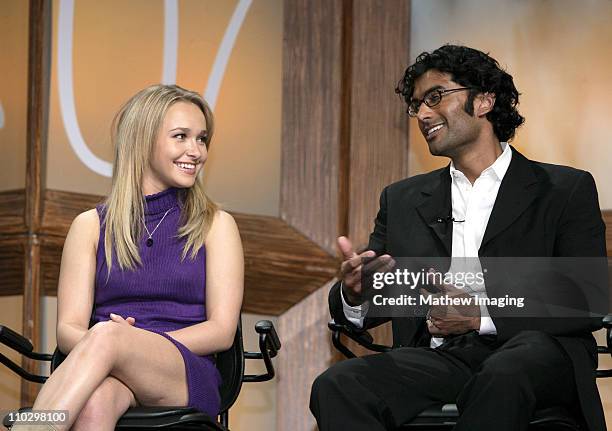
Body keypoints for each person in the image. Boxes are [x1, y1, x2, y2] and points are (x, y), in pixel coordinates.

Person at [310, 45, 607, 431]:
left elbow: (584, 298)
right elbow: (380, 290)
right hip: (445, 359)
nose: (423, 114)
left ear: (483, 100)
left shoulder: (563, 189)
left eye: (435, 97)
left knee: (506, 369)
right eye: (417, 105)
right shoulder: (402, 200)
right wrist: (355, 293)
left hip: (537, 352)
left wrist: (480, 316)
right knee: (339, 383)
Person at [14, 84, 244, 431]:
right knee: (93, 404)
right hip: (107, 363)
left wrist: (130, 342)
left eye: (202, 139)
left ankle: (31, 429)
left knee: (108, 334)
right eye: (181, 136)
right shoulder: (89, 226)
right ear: (143, 139)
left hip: (182, 371)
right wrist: (116, 347)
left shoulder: (217, 225)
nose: (195, 151)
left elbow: (222, 332)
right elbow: (68, 330)